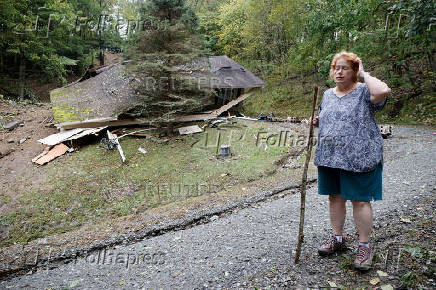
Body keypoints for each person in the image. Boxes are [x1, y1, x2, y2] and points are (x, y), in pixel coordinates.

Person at [312, 51, 391, 271]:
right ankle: (338, 238)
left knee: (360, 200)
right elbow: (329, 118)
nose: (338, 72)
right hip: (330, 156)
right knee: (335, 198)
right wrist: (317, 121)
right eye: (336, 67)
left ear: (354, 71)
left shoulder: (365, 91)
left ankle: (364, 246)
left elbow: (383, 91)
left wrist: (365, 74)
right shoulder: (327, 94)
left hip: (359, 157)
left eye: (345, 68)